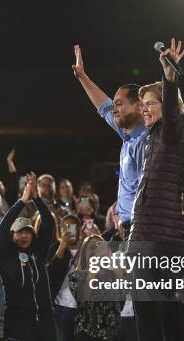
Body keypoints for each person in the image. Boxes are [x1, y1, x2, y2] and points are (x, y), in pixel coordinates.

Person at [118, 38, 184, 341]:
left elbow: (174, 116)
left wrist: (169, 78)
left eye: (151, 103)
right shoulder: (149, 139)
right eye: (143, 104)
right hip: (143, 235)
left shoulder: (178, 133)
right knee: (145, 311)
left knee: (168, 309)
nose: (145, 109)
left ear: (168, 104)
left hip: (165, 238)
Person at [0, 172, 60, 341]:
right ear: (12, 236)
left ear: (33, 234)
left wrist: (37, 199)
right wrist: (22, 200)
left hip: (45, 319)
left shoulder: (39, 253)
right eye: (19, 233)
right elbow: (2, 229)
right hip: (18, 321)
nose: (23, 236)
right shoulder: (5, 255)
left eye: (27, 232)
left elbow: (49, 224)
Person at [72, 44, 147, 228]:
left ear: (138, 106)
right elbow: (104, 107)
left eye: (119, 104)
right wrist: (82, 76)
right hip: (128, 226)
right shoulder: (126, 132)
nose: (114, 109)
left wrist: (132, 223)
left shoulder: (146, 140)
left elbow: (149, 190)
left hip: (140, 228)